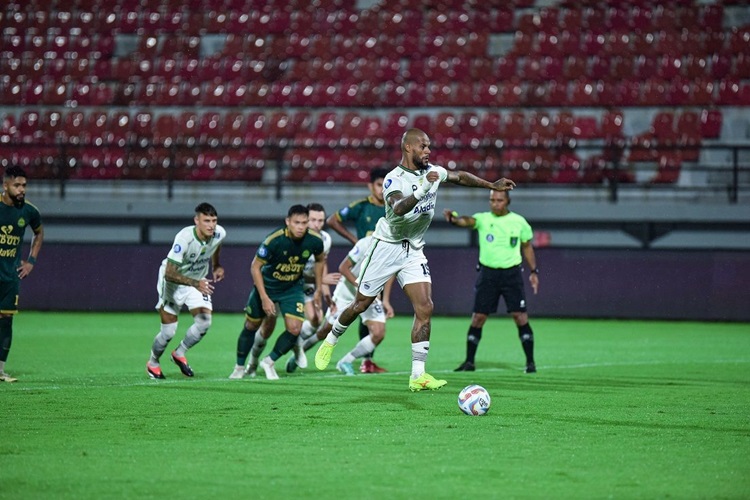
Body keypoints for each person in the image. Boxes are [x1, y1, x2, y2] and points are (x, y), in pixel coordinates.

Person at [314, 128, 515, 391]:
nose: (428, 151)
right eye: (423, 147)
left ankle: (417, 374)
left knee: (425, 307)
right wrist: (422, 190)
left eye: (429, 146)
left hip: (413, 249)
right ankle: (331, 338)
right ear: (408, 148)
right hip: (386, 246)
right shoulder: (393, 179)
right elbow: (398, 207)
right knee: (360, 303)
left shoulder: (432, 171)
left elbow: (459, 177)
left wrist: (490, 184)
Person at [444, 190, 539, 374]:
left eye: (499, 200)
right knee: (478, 317)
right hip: (488, 274)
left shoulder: (519, 222)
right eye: (492, 200)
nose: (495, 203)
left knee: (520, 317)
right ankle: (469, 362)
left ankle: (530, 363)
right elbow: (467, 221)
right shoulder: (483, 219)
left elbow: (527, 246)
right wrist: (454, 219)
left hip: (511, 274)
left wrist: (534, 271)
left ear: (508, 201)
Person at [229, 204, 325, 380]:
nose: (301, 227)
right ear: (288, 222)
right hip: (268, 287)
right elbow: (255, 267)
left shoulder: (315, 240)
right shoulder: (274, 240)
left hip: (292, 288)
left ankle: (269, 360)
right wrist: (264, 297)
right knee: (252, 326)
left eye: (304, 223)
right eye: (297, 222)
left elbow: (320, 261)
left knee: (295, 328)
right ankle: (239, 367)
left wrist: (319, 288)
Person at [247, 203, 339, 376]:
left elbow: (321, 265)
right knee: (267, 328)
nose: (316, 224)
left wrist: (323, 291)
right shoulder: (287, 238)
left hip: (302, 285)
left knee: (315, 320)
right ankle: (252, 362)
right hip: (282, 284)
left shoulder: (324, 239)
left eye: (320, 221)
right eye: (313, 220)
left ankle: (295, 343)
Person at [287, 234, 394, 375]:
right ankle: (299, 352)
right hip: (348, 291)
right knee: (327, 330)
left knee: (378, 333)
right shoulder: (365, 243)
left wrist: (385, 299)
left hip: (370, 293)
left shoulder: (396, 248)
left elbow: (391, 273)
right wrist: (361, 287)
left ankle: (346, 361)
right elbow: (343, 268)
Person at [146, 202, 226, 379]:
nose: (211, 225)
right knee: (169, 332)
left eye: (214, 220)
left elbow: (216, 245)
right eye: (206, 221)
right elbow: (169, 273)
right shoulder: (184, 238)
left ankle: (179, 353)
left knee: (204, 322)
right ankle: (153, 363)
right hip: (173, 283)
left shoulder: (219, 233)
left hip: (197, 280)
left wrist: (217, 264)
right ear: (196, 220)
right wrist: (195, 283)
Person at [325, 167, 390, 373]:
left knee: (370, 316)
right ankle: (309, 342)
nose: (382, 190)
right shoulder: (362, 207)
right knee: (354, 313)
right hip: (360, 266)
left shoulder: (393, 208)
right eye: (379, 185)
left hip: (382, 266)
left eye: (385, 185)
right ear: (370, 186)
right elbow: (332, 220)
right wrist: (355, 241)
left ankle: (366, 361)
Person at [0, 166, 43, 383]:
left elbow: (38, 232)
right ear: (5, 185)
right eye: (17, 185)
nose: (21, 189)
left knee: (6, 320)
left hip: (10, 277)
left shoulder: (28, 211)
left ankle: (0, 370)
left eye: (24, 185)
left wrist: (31, 261)